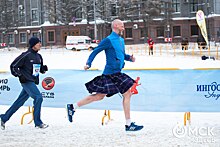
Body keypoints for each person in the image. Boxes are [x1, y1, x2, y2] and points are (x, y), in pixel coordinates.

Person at [66, 19, 143, 132]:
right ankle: (72, 107)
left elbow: (121, 54)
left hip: (118, 73)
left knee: (127, 93)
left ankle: (128, 124)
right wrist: (88, 63)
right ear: (116, 26)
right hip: (109, 74)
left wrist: (129, 58)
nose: (124, 27)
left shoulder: (121, 40)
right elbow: (95, 51)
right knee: (99, 96)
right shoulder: (108, 40)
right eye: (122, 25)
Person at [0, 36, 48, 130]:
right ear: (33, 45)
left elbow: (38, 69)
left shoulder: (39, 56)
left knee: (19, 102)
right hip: (26, 81)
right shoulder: (26, 55)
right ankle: (38, 123)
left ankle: (4, 118)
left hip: (32, 81)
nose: (40, 44)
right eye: (38, 43)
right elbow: (13, 66)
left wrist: (43, 69)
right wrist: (20, 75)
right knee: (38, 98)